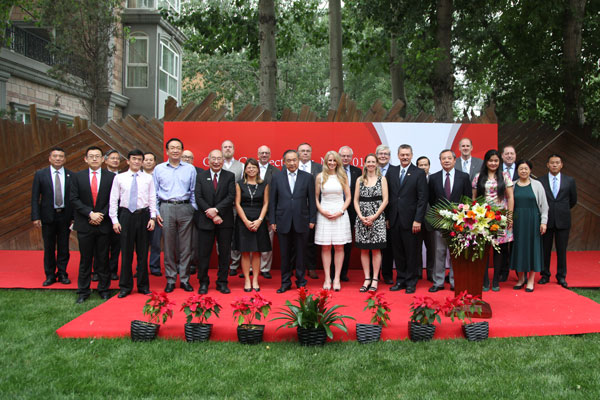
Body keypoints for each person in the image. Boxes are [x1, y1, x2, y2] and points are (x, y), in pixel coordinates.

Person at [109, 149, 156, 298]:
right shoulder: (120, 178)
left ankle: (143, 286)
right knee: (126, 252)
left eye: (139, 159)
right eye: (133, 159)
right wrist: (114, 220)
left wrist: (152, 217)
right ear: (128, 161)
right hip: (125, 216)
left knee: (142, 253)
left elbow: (152, 198)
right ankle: (125, 286)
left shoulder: (148, 178)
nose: (136, 162)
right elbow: (113, 199)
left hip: (143, 215)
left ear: (142, 162)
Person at [71, 146, 115, 303]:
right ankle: (83, 291)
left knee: (103, 258)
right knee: (85, 259)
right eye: (91, 156)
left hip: (103, 224)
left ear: (103, 159)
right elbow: (74, 199)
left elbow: (113, 199)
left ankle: (104, 289)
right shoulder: (77, 177)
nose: (94, 159)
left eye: (97, 156)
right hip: (85, 223)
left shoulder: (111, 177)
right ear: (85, 159)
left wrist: (100, 215)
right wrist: (90, 213)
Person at [269, 149, 317, 293]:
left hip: (302, 220)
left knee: (301, 253)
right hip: (282, 220)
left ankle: (301, 282)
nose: (292, 163)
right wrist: (272, 220)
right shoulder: (277, 177)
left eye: (294, 160)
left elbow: (312, 201)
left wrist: (312, 219)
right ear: (284, 162)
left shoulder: (307, 177)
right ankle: (285, 282)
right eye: (288, 160)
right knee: (285, 255)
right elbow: (273, 200)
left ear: (298, 160)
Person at [153, 138, 197, 293]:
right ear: (167, 151)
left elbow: (193, 191)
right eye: (172, 148)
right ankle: (171, 279)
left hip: (186, 208)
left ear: (182, 150)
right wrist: (156, 212)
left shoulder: (190, 169)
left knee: (186, 247)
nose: (175, 150)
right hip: (167, 208)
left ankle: (184, 279)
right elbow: (154, 193)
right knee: (169, 246)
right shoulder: (159, 169)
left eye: (178, 148)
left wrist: (193, 209)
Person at [427, 150, 472, 292]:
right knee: (439, 252)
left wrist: (462, 217)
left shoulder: (463, 177)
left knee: (455, 253)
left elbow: (468, 198)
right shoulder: (433, 178)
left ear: (454, 160)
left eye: (449, 158)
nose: (446, 161)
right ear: (440, 161)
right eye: (443, 158)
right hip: (440, 221)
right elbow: (431, 199)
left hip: (458, 222)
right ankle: (438, 282)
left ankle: (455, 281)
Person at [387, 144, 428, 294]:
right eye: (402, 154)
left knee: (411, 253)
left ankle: (411, 282)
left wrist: (418, 219)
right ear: (398, 155)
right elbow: (389, 196)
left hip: (412, 222)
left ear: (411, 155)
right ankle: (401, 280)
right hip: (394, 219)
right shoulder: (391, 172)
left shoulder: (418, 173)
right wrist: (387, 218)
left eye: (407, 155)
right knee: (398, 253)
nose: (404, 157)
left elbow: (422, 199)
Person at [472, 149, 514, 292]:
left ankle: (496, 279)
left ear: (499, 162)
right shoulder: (478, 177)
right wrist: (474, 217)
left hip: (500, 217)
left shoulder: (505, 176)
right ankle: (484, 280)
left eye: (496, 161)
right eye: (491, 160)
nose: (493, 163)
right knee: (483, 250)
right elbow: (474, 199)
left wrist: (509, 216)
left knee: (499, 250)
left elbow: (510, 197)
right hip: (482, 218)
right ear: (486, 162)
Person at [31, 146, 73, 286]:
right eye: (55, 156)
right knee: (49, 247)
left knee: (64, 247)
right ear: (50, 158)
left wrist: (74, 217)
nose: (58, 158)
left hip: (65, 216)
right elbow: (35, 197)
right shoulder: (40, 174)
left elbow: (73, 198)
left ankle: (62, 273)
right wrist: (35, 217)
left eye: (61, 156)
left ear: (65, 159)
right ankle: (49, 275)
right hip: (48, 216)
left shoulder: (71, 175)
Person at [195, 149, 236, 294]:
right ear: (208, 159)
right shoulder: (201, 176)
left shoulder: (229, 176)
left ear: (223, 160)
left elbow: (231, 196)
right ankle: (203, 282)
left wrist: (217, 210)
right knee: (204, 253)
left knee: (224, 253)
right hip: (206, 220)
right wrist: (211, 214)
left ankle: (222, 282)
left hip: (225, 221)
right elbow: (198, 197)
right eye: (214, 158)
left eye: (219, 158)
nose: (216, 161)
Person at [315, 151, 352, 291]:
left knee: (339, 246)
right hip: (324, 214)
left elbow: (348, 197)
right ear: (325, 162)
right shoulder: (320, 177)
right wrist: (321, 211)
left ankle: (336, 278)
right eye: (329, 160)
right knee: (325, 247)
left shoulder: (342, 176)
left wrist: (341, 211)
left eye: (334, 161)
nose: (331, 163)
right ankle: (327, 278)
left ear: (338, 162)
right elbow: (316, 198)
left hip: (340, 213)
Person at [538, 154, 577, 288]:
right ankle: (545, 274)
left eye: (557, 163)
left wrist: (561, 210)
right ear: (547, 165)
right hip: (546, 221)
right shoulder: (541, 181)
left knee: (562, 249)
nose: (554, 165)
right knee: (545, 249)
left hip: (563, 220)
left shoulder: (569, 181)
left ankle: (561, 276)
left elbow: (573, 200)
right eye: (552, 163)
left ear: (561, 165)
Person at [511, 160, 548, 293]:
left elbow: (544, 206)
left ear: (530, 170)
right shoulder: (513, 185)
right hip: (518, 222)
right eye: (521, 169)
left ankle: (531, 280)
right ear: (517, 171)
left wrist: (543, 222)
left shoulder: (537, 185)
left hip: (533, 221)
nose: (523, 171)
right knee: (519, 249)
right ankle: (521, 278)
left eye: (526, 169)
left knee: (533, 249)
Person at [234, 158, 271, 292]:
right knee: (245, 252)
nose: (251, 170)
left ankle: (255, 279)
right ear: (245, 170)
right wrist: (245, 221)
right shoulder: (239, 184)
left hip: (259, 220)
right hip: (243, 220)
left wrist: (260, 220)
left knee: (256, 252)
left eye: (254, 167)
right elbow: (237, 203)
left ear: (258, 169)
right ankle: (247, 280)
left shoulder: (264, 184)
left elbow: (266, 203)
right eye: (249, 167)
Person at [353, 154, 388, 292]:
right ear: (365, 163)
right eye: (369, 161)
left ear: (377, 164)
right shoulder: (359, 180)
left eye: (374, 162)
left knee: (376, 249)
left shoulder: (382, 179)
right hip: (362, 218)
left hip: (377, 218)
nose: (371, 164)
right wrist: (361, 216)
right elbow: (356, 200)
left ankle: (375, 279)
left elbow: (385, 200)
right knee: (364, 249)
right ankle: (366, 278)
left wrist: (374, 216)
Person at [221, 140, 244, 279]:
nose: (228, 149)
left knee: (235, 235)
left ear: (234, 149)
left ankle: (234, 265)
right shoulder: (217, 164)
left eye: (230, 146)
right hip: (219, 208)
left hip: (235, 207)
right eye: (225, 147)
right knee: (221, 237)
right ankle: (223, 261)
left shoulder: (241, 166)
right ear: (221, 149)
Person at [338, 145, 362, 282]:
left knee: (347, 242)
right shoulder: (332, 171)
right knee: (335, 242)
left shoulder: (357, 171)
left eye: (348, 156)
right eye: (343, 155)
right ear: (339, 156)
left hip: (352, 211)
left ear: (351, 157)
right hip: (335, 209)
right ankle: (333, 271)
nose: (345, 158)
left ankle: (343, 272)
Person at [257, 145, 279, 279]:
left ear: (270, 155)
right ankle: (253, 267)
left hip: (270, 211)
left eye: (266, 153)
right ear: (258, 154)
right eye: (262, 153)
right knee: (252, 240)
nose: (264, 155)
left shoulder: (276, 171)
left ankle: (265, 268)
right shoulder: (250, 168)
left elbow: (277, 194)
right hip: (253, 211)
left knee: (268, 241)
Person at [100, 149, 122, 281]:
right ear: (105, 160)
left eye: (117, 158)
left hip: (118, 217)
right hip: (101, 217)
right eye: (112, 158)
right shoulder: (100, 175)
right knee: (101, 246)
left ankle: (113, 270)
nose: (115, 160)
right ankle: (99, 270)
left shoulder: (123, 176)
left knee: (116, 245)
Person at [182, 150, 204, 275]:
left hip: (198, 210)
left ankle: (193, 263)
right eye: (184, 157)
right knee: (182, 239)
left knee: (196, 239)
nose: (187, 159)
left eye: (189, 157)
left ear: (193, 159)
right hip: (181, 207)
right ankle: (182, 263)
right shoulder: (176, 172)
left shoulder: (200, 172)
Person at [375, 144, 395, 284]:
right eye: (381, 154)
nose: (383, 156)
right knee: (372, 246)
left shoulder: (395, 171)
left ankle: (387, 274)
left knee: (388, 246)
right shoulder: (369, 170)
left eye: (386, 154)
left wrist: (388, 217)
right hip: (371, 214)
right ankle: (372, 274)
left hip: (390, 214)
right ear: (376, 155)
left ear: (389, 156)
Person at [143, 151, 162, 276]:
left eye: (151, 160)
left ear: (155, 162)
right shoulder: (137, 176)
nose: (148, 162)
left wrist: (157, 212)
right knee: (142, 243)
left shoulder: (160, 176)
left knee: (156, 242)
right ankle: (141, 268)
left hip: (158, 213)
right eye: (146, 160)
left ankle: (154, 267)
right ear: (142, 162)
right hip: (141, 213)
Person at [416, 156, 435, 282]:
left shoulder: (434, 179)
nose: (423, 167)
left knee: (432, 249)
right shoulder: (414, 179)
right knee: (416, 248)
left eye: (425, 165)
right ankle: (417, 273)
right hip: (416, 220)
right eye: (420, 165)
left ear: (429, 166)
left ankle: (431, 273)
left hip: (432, 220)